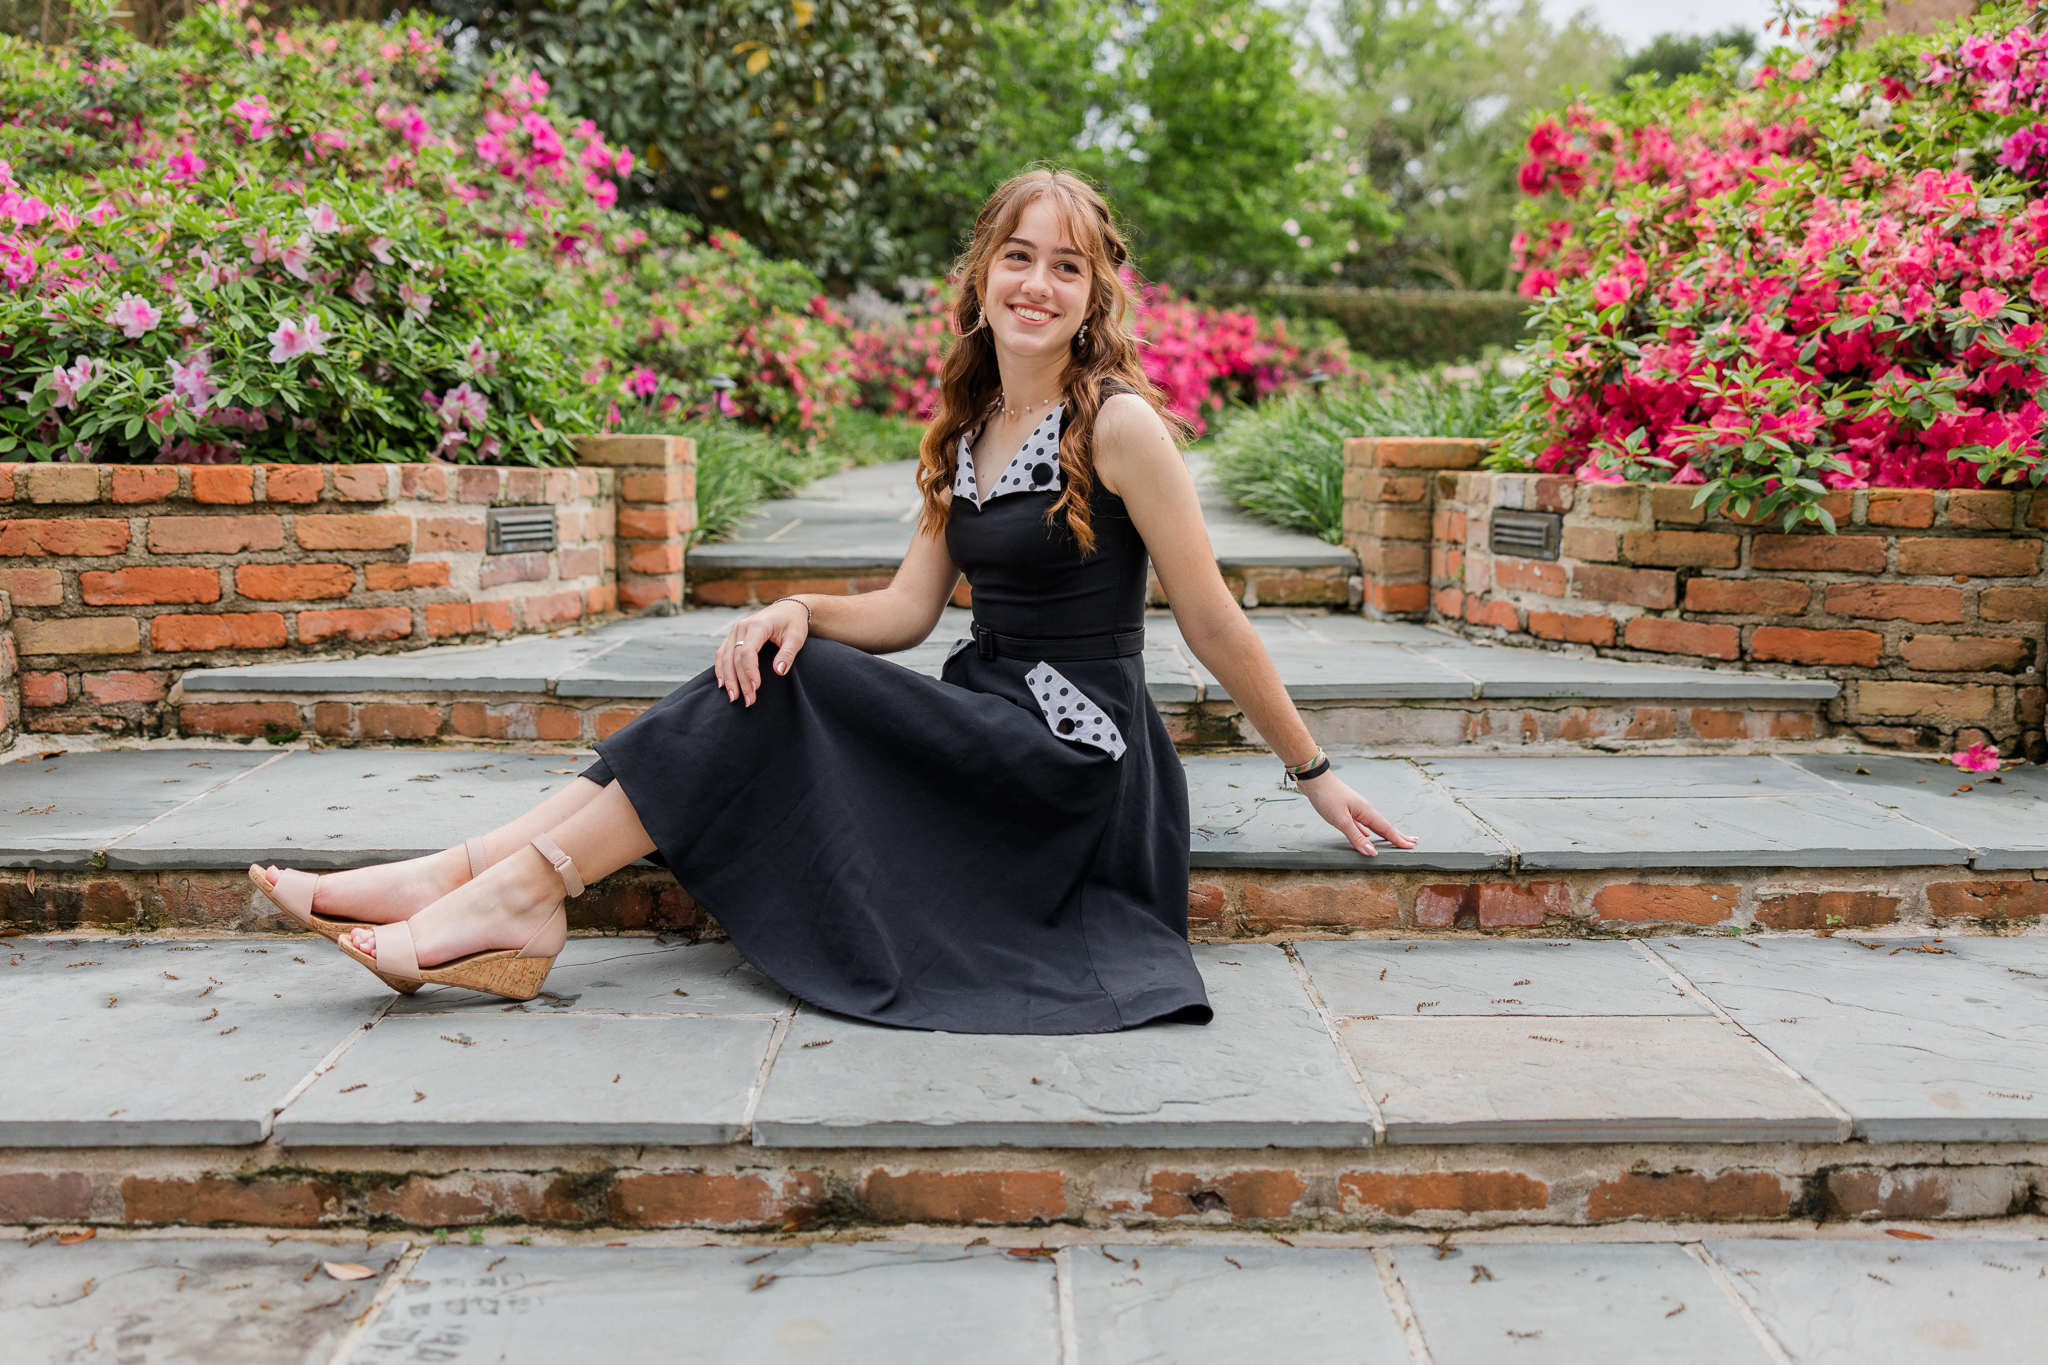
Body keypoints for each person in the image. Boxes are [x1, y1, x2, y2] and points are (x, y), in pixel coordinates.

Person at [250, 169, 1415, 1032]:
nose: (1038, 283)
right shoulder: (964, 429)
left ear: (1094, 293)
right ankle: (474, 878)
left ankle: (500, 886)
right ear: (981, 273)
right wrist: (800, 604)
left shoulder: (1115, 424)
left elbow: (1211, 620)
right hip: (989, 714)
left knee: (780, 686)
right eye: (1019, 256)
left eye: (1067, 266)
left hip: (1077, 764)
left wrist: (1313, 773)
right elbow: (910, 610)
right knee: (765, 661)